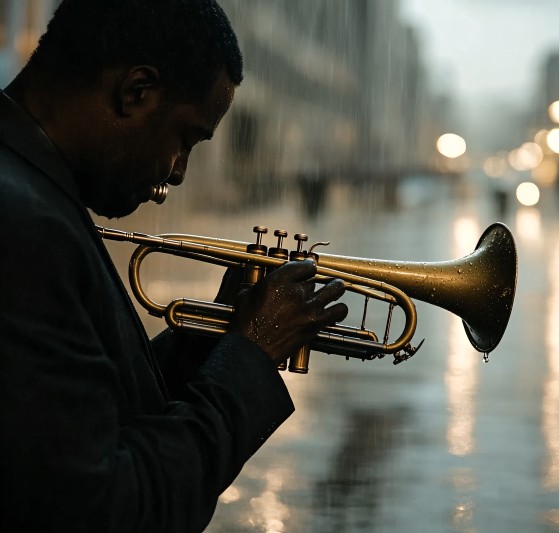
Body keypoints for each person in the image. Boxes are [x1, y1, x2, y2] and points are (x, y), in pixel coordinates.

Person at [0, 1, 347, 531]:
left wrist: (217, 336)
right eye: (185, 140)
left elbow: (94, 405)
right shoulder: (25, 226)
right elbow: (107, 511)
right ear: (136, 91)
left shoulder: (36, 190)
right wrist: (253, 355)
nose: (179, 172)